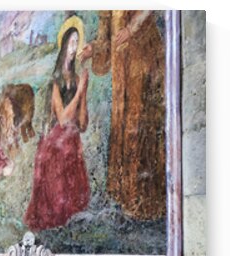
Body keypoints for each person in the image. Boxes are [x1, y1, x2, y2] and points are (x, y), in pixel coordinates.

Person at [79, 11, 166, 220]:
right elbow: (105, 38)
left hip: (143, 58)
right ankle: (125, 197)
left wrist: (131, 29)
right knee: (122, 123)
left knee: (140, 122)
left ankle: (146, 202)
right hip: (121, 70)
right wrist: (94, 48)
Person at [23, 17, 91, 231]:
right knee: (55, 204)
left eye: (77, 43)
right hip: (54, 144)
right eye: (71, 42)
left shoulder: (78, 79)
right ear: (64, 45)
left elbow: (82, 124)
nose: (75, 48)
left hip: (72, 142)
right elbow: (62, 118)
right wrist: (79, 92)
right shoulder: (55, 81)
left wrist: (84, 93)